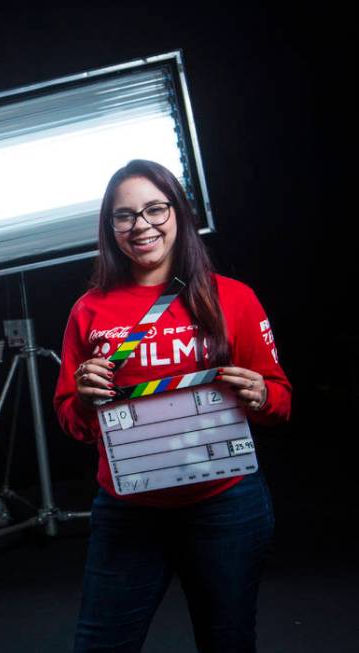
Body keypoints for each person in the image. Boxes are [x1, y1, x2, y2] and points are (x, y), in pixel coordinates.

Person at [53, 159, 291, 652]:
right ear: (110, 226)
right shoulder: (89, 310)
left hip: (226, 503)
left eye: (154, 209)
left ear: (178, 212)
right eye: (124, 215)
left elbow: (281, 401)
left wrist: (262, 394)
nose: (141, 226)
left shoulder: (234, 299)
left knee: (227, 641)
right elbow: (71, 422)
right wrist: (83, 397)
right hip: (128, 508)